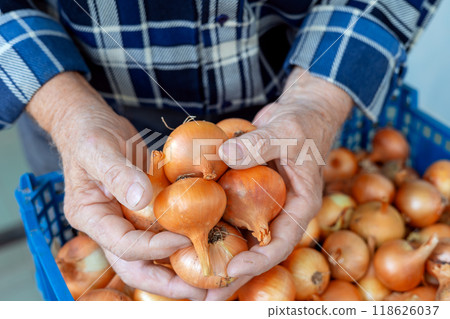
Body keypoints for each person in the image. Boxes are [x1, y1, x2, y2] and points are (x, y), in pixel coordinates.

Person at [0, 1, 440, 300]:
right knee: (110, 219)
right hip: (88, 113)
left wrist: (316, 101)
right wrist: (66, 111)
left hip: (288, 110)